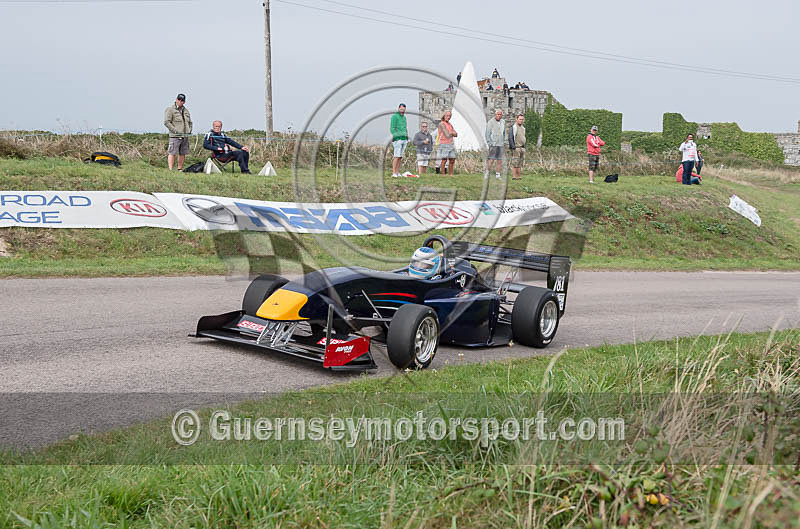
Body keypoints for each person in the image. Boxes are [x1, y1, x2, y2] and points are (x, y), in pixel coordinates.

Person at [164, 93, 192, 170]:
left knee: (182, 153)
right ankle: (170, 169)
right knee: (172, 153)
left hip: (185, 136)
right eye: (179, 99)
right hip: (175, 136)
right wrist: (175, 131)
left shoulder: (186, 111)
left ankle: (179, 169)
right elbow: (166, 122)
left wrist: (189, 130)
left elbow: (190, 122)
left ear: (184, 101)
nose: (180, 101)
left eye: (182, 100)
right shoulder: (170, 109)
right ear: (176, 99)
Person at [485, 109, 506, 180]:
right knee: (491, 159)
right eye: (498, 114)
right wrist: (489, 143)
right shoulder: (490, 122)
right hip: (493, 144)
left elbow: (504, 133)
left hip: (501, 144)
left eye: (500, 114)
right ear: (495, 115)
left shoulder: (503, 122)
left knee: (500, 160)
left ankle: (498, 175)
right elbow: (487, 134)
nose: (499, 116)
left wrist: (504, 141)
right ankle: (487, 173)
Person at [390, 103, 409, 178]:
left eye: (404, 110)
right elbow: (392, 128)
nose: (402, 111)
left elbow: (405, 127)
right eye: (401, 109)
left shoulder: (404, 117)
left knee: (400, 156)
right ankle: (394, 172)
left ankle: (397, 172)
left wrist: (407, 136)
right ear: (398, 109)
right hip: (397, 139)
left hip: (404, 139)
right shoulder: (394, 116)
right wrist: (396, 136)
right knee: (396, 156)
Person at [437, 110, 457, 175]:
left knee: (452, 159)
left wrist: (452, 133)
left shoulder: (450, 124)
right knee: (444, 160)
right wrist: (452, 133)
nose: (449, 117)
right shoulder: (441, 124)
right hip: (443, 143)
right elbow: (447, 134)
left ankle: (450, 174)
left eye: (450, 116)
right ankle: (443, 174)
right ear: (444, 116)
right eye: (447, 116)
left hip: (450, 144)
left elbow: (456, 134)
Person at [508, 113, 526, 180]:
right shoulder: (513, 127)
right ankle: (514, 176)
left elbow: (523, 137)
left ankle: (518, 176)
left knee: (520, 163)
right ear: (517, 119)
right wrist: (513, 147)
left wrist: (524, 147)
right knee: (515, 162)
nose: (521, 120)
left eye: (522, 119)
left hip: (522, 147)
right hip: (516, 147)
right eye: (520, 119)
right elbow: (510, 137)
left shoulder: (523, 128)